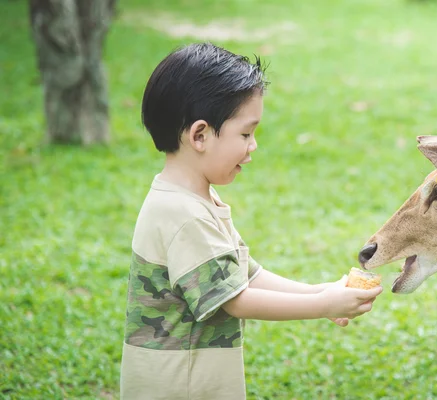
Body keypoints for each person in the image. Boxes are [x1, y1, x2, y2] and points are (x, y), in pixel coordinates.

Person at [119, 42, 383, 400]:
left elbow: (246, 274)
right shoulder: (184, 216)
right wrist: (322, 306)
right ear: (199, 135)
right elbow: (236, 300)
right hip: (180, 385)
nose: (253, 145)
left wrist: (322, 291)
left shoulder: (199, 199)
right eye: (245, 133)